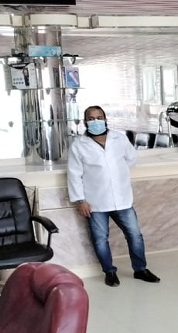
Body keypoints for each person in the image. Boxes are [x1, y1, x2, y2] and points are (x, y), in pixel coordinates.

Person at [67, 105, 161, 287]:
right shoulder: (78, 146)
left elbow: (132, 158)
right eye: (91, 118)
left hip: (122, 198)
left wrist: (115, 173)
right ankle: (109, 272)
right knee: (100, 239)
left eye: (99, 117)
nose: (95, 121)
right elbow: (74, 175)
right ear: (85, 122)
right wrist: (80, 200)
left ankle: (140, 269)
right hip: (96, 201)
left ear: (105, 119)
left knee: (135, 235)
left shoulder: (119, 138)